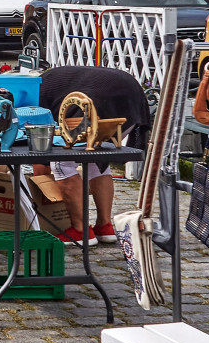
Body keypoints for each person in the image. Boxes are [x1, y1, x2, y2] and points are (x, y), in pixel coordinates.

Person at [34, 65, 152, 247]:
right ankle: (105, 226)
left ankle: (80, 230)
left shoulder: (34, 99)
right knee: (97, 160)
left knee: (61, 163)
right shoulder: (49, 82)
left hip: (97, 96)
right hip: (133, 93)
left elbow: (41, 158)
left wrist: (41, 191)